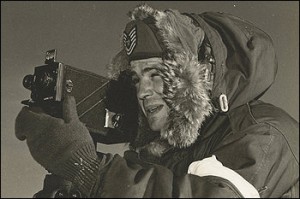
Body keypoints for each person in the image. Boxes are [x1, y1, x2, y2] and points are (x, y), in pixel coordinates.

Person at [15, 4, 299, 198]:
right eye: (137, 79)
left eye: (156, 74)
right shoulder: (160, 155)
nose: (142, 91)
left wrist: (91, 170)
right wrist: (72, 181)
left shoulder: (266, 134)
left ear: (197, 74)